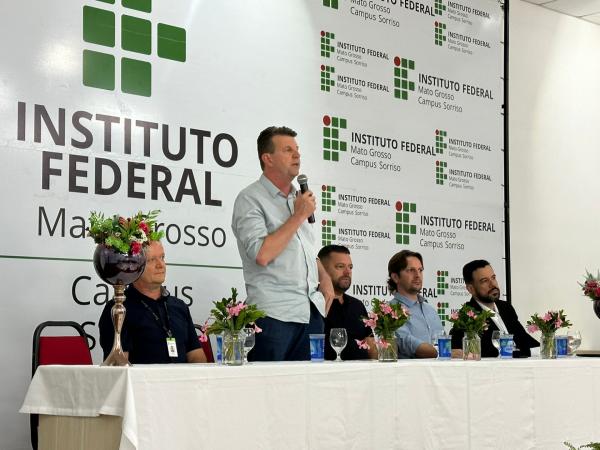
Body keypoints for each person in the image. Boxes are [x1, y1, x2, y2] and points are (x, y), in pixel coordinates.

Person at [231, 126, 334, 361]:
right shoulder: (250, 199)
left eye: (297, 149)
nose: (297, 155)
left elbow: (303, 248)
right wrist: (298, 216)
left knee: (308, 385)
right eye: (288, 150)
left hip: (310, 313)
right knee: (269, 384)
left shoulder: (299, 198)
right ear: (267, 158)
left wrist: (325, 277)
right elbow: (261, 254)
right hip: (273, 316)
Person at [99, 240, 207, 364]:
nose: (161, 265)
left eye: (162, 257)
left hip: (182, 377)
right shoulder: (119, 309)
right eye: (152, 260)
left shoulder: (179, 306)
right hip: (140, 377)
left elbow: (196, 356)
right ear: (135, 266)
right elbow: (120, 366)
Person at [450, 260, 539, 358]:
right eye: (484, 281)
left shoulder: (506, 307)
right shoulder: (466, 317)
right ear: (471, 289)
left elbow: (524, 339)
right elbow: (487, 352)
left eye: (493, 278)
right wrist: (525, 352)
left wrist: (545, 346)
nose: (493, 284)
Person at [318, 245, 377, 360]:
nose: (347, 272)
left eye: (350, 267)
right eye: (340, 266)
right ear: (322, 270)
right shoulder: (314, 303)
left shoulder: (357, 305)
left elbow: (371, 344)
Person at [388, 250, 443, 358]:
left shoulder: (430, 310)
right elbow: (406, 342)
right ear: (395, 277)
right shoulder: (390, 310)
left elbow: (443, 339)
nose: (418, 275)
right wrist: (443, 352)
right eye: (411, 270)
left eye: (420, 270)